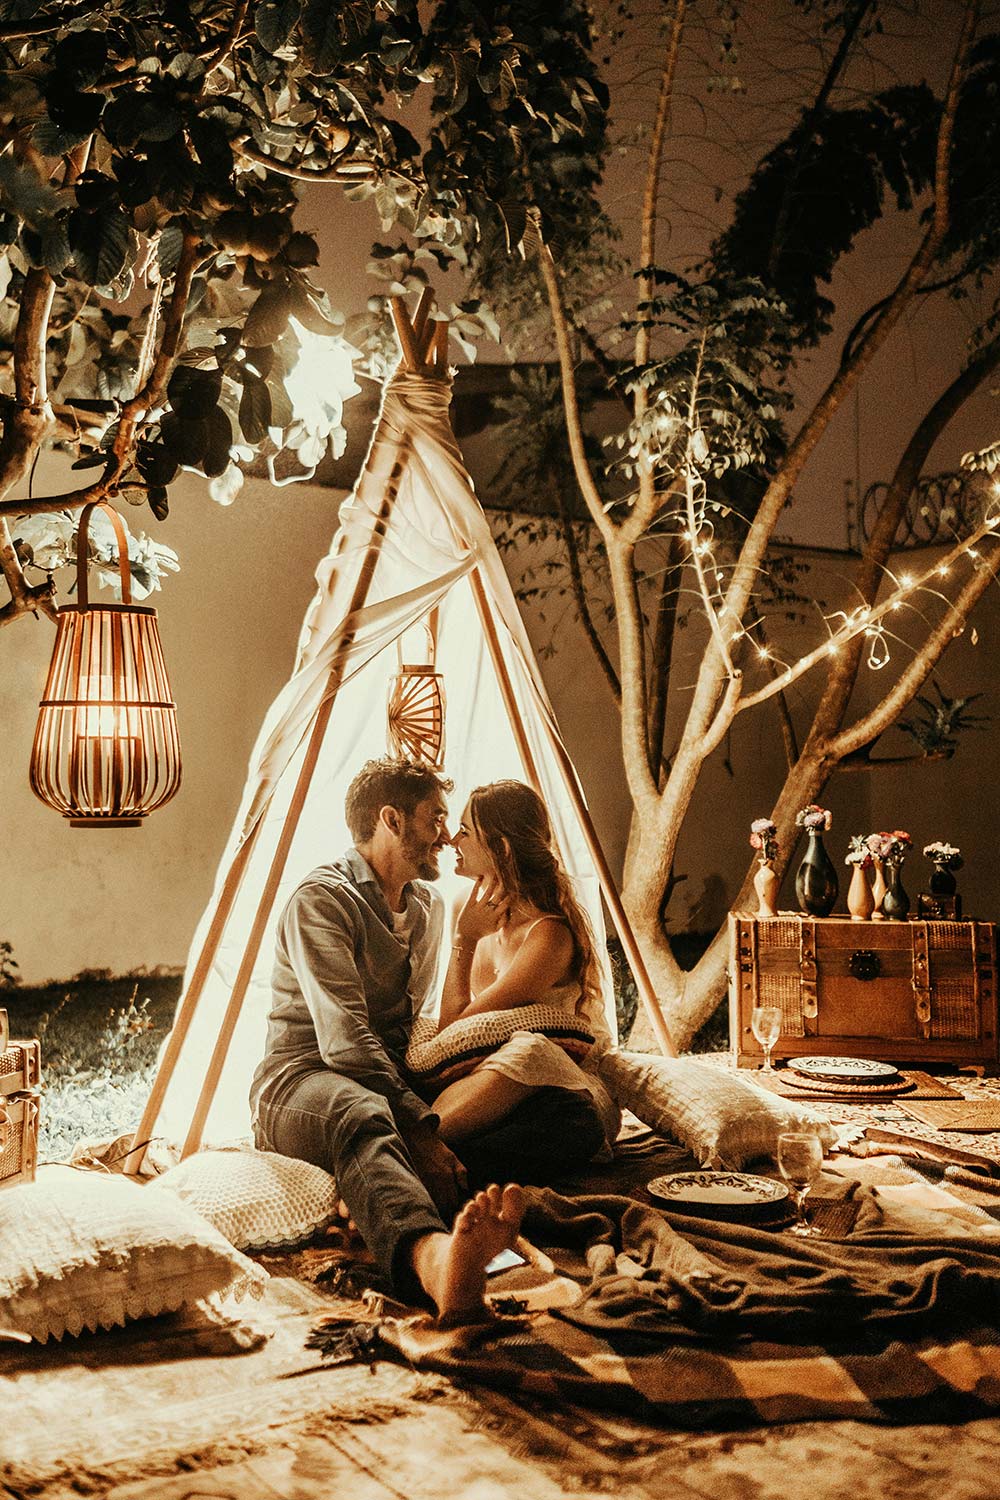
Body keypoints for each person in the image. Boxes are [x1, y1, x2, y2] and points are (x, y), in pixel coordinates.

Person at [249, 758, 602, 1322]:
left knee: (569, 1116)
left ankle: (377, 1189)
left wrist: (436, 1105)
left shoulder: (425, 906)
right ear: (391, 820)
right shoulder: (321, 901)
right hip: (304, 1079)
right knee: (365, 1112)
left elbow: (423, 1028)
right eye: (435, 819)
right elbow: (345, 1044)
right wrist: (420, 1126)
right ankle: (435, 1261)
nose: (445, 835)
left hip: (391, 1074)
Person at [429, 780, 619, 1150]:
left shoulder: (548, 935)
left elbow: (453, 1030)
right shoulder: (464, 907)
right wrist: (466, 933)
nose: (452, 839)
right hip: (487, 1078)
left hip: (562, 1090)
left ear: (500, 848)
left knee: (531, 1052)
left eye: (465, 831)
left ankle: (422, 1149)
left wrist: (465, 939)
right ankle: (429, 1149)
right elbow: (450, 1043)